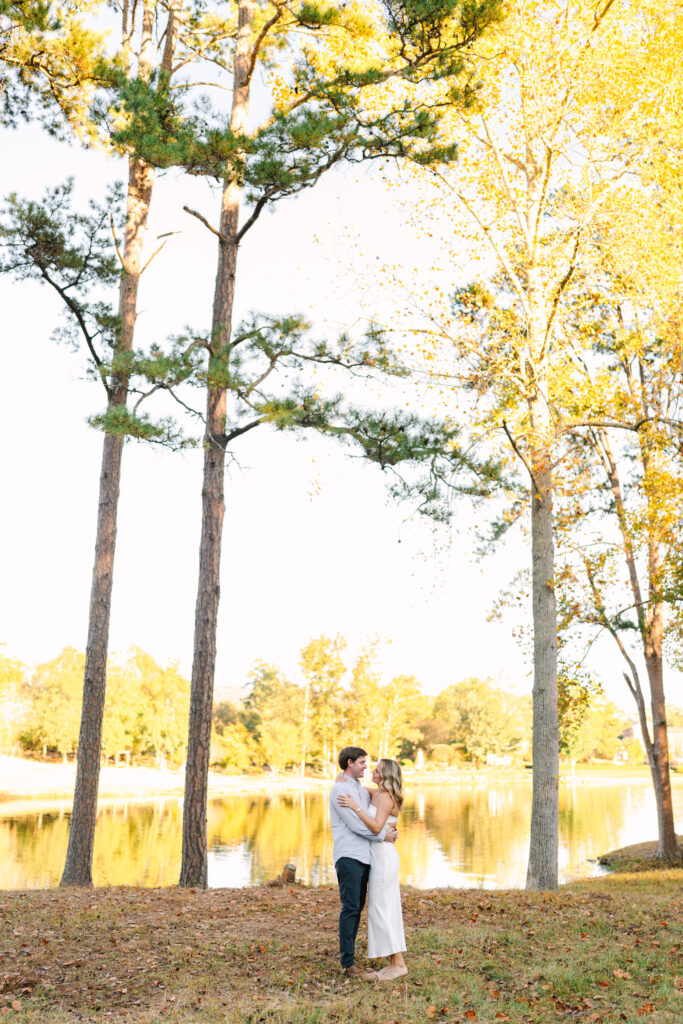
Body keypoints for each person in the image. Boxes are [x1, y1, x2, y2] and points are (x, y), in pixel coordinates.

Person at [329, 746, 398, 980]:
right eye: (361, 762)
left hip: (365, 857)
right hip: (348, 856)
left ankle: (352, 961)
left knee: (357, 909)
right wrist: (383, 836)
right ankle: (348, 964)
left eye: (369, 764)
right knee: (350, 908)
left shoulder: (359, 788)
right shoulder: (340, 789)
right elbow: (356, 825)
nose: (366, 767)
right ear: (350, 763)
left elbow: (376, 810)